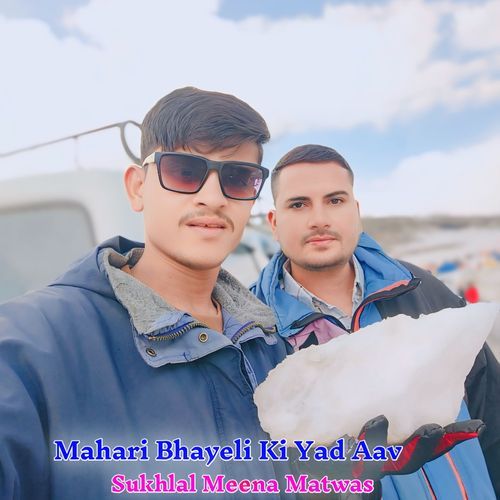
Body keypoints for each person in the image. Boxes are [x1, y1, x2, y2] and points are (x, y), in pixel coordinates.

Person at [0, 87, 295, 499]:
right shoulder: (29, 346)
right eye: (184, 171)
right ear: (137, 187)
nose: (213, 197)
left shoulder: (270, 346)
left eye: (238, 178)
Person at [252, 144, 500, 499]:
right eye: (298, 204)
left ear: (356, 211)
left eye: (335, 200)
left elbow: (490, 405)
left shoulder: (420, 287)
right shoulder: (254, 331)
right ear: (274, 223)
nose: (319, 218)